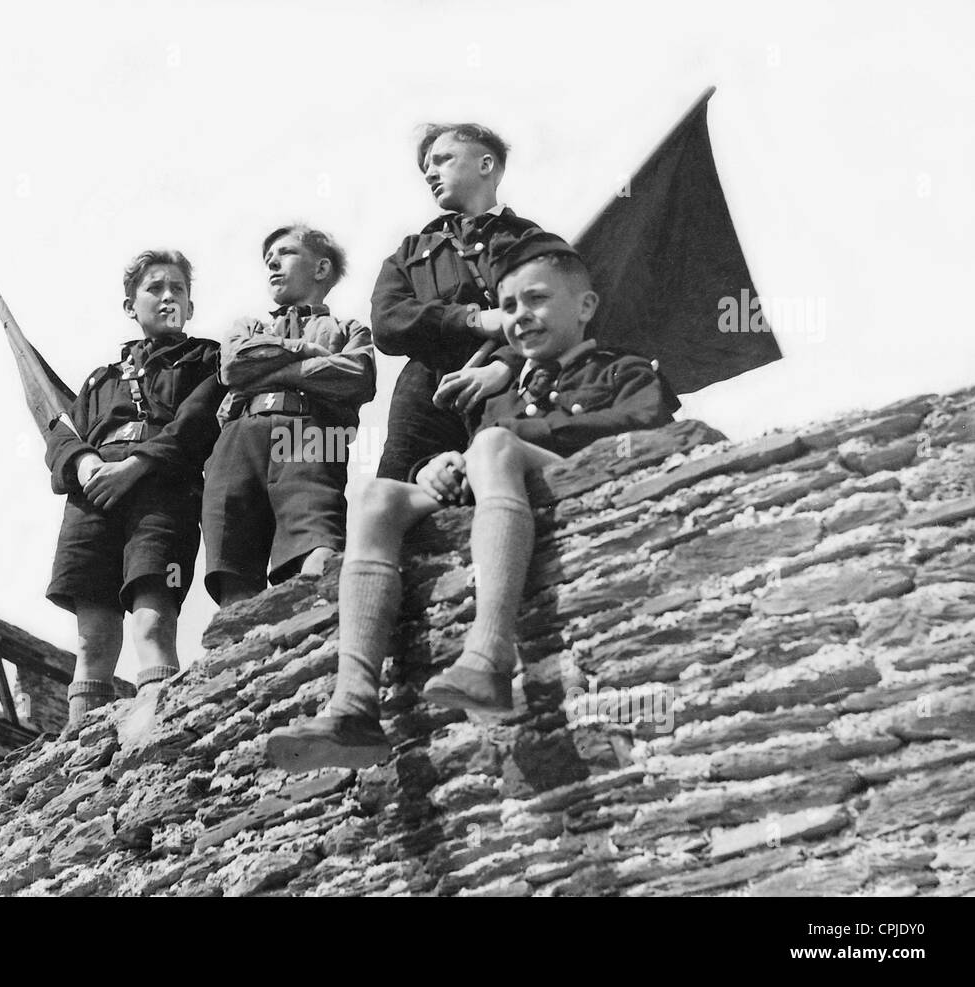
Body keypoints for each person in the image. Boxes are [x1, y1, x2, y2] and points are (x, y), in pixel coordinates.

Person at [267, 230, 680, 771]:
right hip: (499, 487)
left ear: (585, 306)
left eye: (537, 299)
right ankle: (354, 706)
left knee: (490, 443)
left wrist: (516, 440)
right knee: (379, 496)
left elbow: (644, 421)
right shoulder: (500, 396)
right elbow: (474, 458)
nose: (521, 315)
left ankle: (489, 653)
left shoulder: (620, 367)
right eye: (508, 306)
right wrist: (434, 467)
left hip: (578, 483)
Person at [44, 250, 224, 727]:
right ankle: (80, 743)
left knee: (153, 617)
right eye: (155, 288)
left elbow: (197, 422)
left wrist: (137, 466)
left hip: (163, 492)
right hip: (94, 493)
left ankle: (156, 728)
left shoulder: (206, 360)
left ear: (191, 304)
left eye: (178, 290)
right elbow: (62, 432)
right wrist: (83, 464)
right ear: (131, 306)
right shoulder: (101, 379)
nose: (168, 297)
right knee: (91, 637)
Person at [202, 225, 376, 605]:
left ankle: (312, 628)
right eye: (268, 261)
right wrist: (304, 350)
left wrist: (275, 370)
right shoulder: (248, 326)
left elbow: (357, 376)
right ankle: (243, 653)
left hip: (314, 431)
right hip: (239, 435)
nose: (273, 265)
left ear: (321, 268)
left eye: (285, 253)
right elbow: (233, 366)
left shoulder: (348, 328)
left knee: (317, 538)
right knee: (234, 559)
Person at [371, 122, 544, 483]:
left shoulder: (530, 239)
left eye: (443, 159)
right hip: (424, 393)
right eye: (426, 168)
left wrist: (504, 366)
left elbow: (554, 313)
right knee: (397, 490)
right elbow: (387, 323)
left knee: (502, 479)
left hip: (508, 385)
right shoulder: (411, 251)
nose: (430, 173)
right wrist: (474, 320)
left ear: (485, 165)